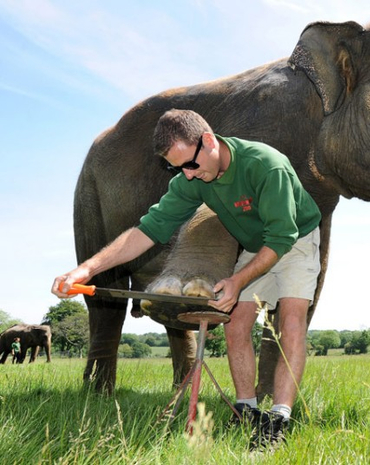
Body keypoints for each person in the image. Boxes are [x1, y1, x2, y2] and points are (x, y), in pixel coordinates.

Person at [52, 109, 321, 451]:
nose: (186, 175)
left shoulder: (266, 165)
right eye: (176, 168)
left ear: (209, 141)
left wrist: (238, 280)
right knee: (235, 322)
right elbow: (146, 231)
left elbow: (282, 237)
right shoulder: (193, 180)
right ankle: (247, 409)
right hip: (257, 246)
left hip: (294, 239)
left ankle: (279, 418)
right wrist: (85, 270)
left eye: (190, 165)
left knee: (292, 320)